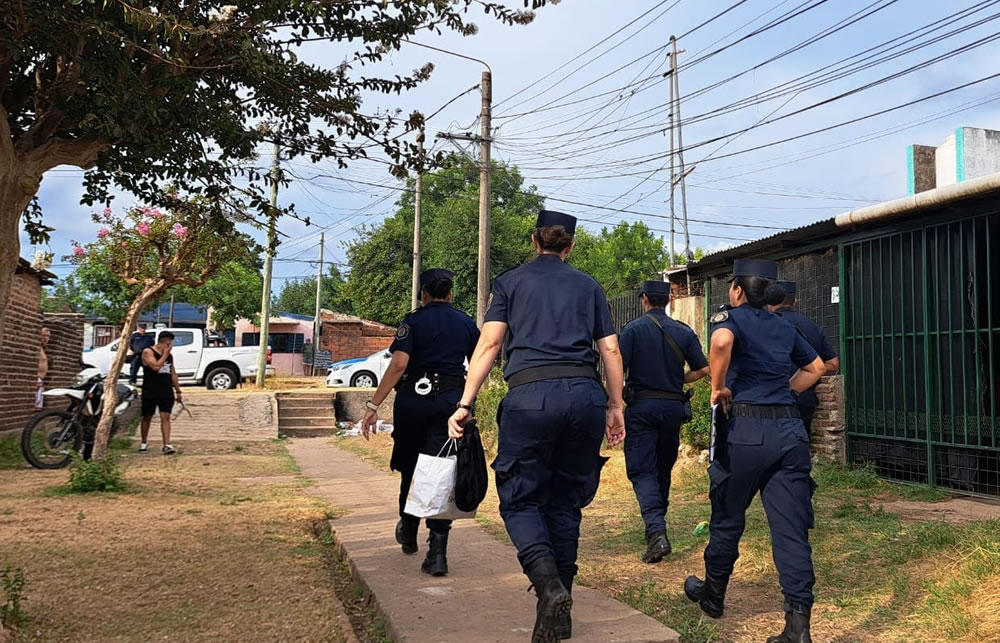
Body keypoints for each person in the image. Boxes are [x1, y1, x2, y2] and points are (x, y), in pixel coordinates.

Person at [448, 210, 626, 643]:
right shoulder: (589, 286)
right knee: (565, 503)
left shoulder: (510, 282)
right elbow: (611, 350)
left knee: (521, 500)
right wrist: (616, 405)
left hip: (530, 396)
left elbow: (490, 343)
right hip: (585, 396)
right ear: (571, 246)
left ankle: (548, 587)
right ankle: (560, 614)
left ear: (534, 241)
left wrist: (466, 402)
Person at [684, 259, 826, 643]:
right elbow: (816, 367)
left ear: (737, 289)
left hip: (745, 431)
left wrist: (717, 387)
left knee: (728, 517)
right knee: (791, 530)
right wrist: (786, 392)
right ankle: (798, 625)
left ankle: (713, 595)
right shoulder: (784, 325)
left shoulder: (729, 319)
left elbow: (720, 343)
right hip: (790, 434)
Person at [361, 269, 479, 577]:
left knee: (410, 466)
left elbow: (399, 364)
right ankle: (437, 552)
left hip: (414, 400)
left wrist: (373, 405)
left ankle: (409, 527)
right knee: (442, 471)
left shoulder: (412, 322)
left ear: (423, 294)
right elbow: (479, 362)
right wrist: (468, 402)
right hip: (451, 402)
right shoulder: (466, 323)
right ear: (450, 294)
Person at [619, 281, 709, 564]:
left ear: (644, 299)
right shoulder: (683, 331)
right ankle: (655, 527)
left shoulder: (632, 330)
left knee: (642, 470)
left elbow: (617, 368)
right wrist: (676, 379)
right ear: (669, 300)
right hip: (672, 407)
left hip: (642, 406)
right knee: (662, 467)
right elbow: (703, 369)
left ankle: (657, 532)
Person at [770, 280, 840, 434]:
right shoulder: (811, 326)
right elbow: (833, 363)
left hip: (770, 399)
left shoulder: (765, 325)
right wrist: (811, 369)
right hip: (803, 399)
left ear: (770, 302)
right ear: (795, 301)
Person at [140, 331, 182, 455]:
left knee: (166, 416)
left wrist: (178, 390)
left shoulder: (170, 356)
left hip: (165, 389)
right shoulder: (148, 352)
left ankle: (166, 444)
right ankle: (143, 441)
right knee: (147, 416)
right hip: (150, 389)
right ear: (163, 343)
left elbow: (173, 373)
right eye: (169, 344)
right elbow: (155, 367)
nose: (170, 347)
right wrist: (165, 355)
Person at [36, 327, 50, 411]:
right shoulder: (36, 348)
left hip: (40, 381)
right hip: (36, 380)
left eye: (48, 336)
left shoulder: (41, 348)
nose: (46, 338)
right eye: (43, 335)